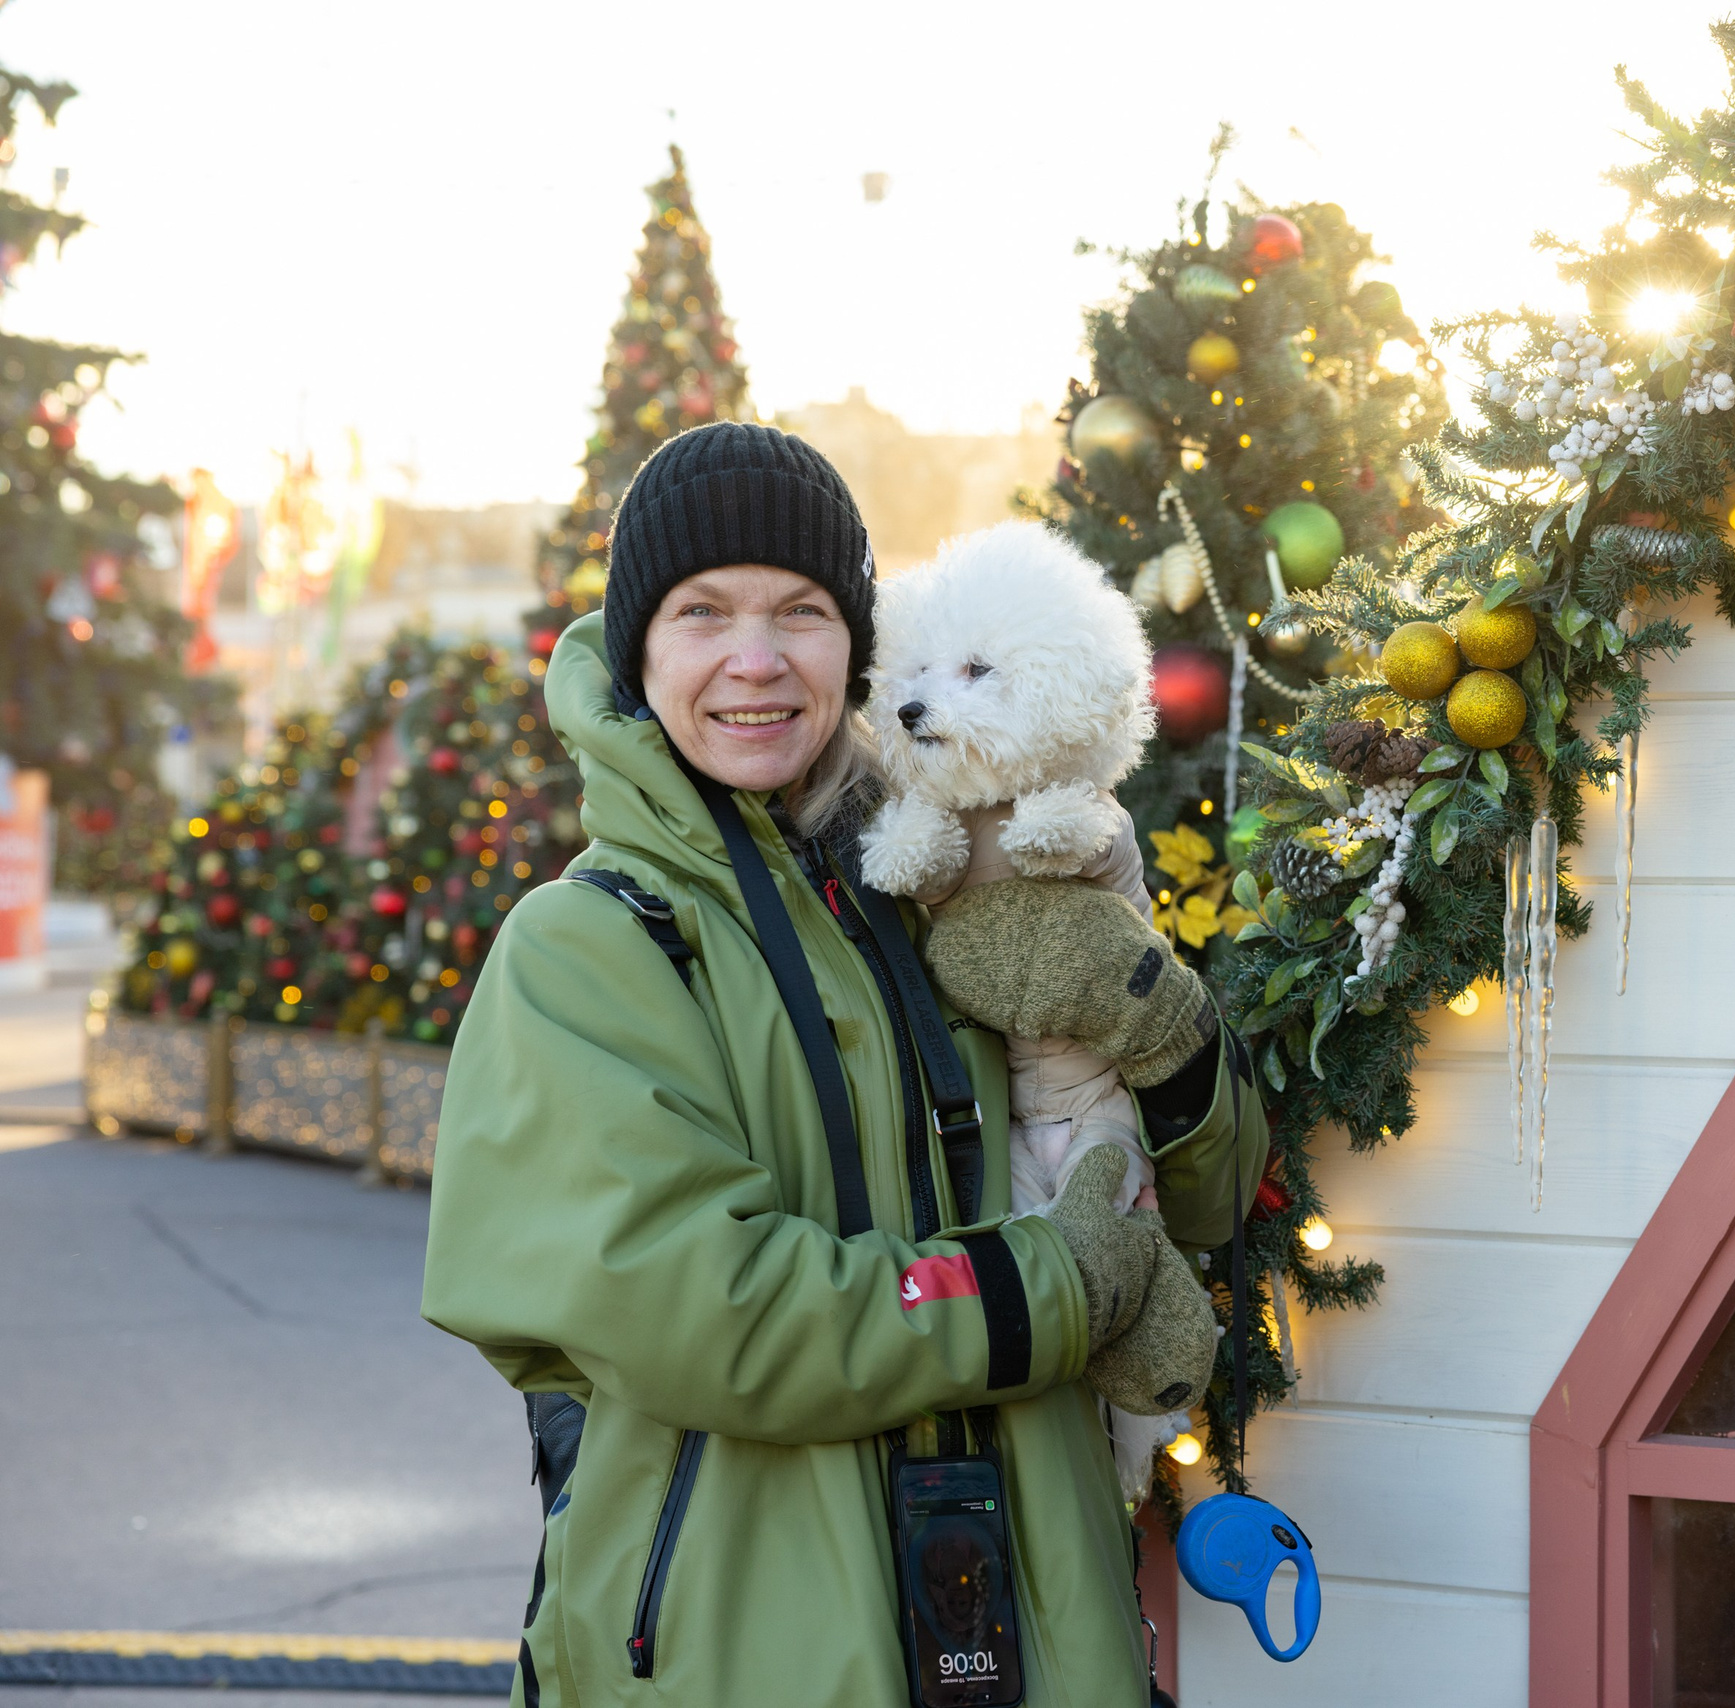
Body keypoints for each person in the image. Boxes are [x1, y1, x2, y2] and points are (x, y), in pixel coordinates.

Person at [421, 421, 1266, 1707]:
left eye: (802, 612)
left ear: (857, 646)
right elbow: (712, 1307)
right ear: (639, 648)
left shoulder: (950, 881)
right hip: (741, 1638)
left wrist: (1159, 1019)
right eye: (703, 612)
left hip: (1041, 1620)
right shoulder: (589, 948)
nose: (754, 661)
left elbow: (1200, 1205)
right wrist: (1048, 1284)